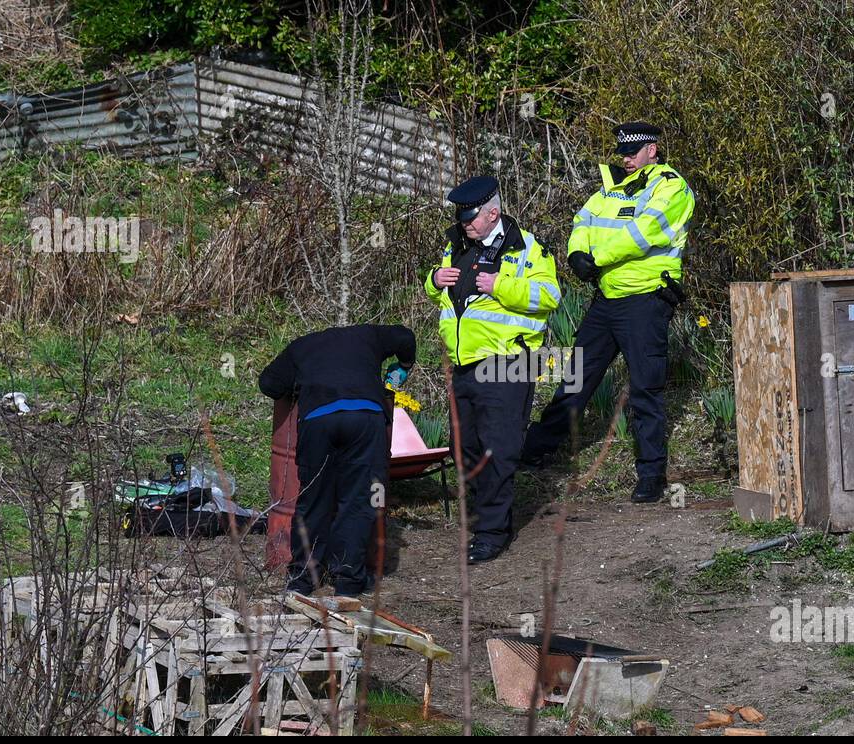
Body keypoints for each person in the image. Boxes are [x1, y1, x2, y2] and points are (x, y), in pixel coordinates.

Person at [522, 121, 695, 503]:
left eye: (633, 152)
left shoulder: (671, 187)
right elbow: (583, 220)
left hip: (645, 301)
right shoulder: (611, 187)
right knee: (576, 378)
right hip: (606, 301)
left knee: (646, 390)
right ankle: (535, 450)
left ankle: (651, 475)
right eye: (623, 153)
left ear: (652, 149)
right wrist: (575, 253)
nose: (627, 159)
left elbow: (644, 233)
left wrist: (595, 258)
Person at [424, 175, 560, 563]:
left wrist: (501, 285)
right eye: (462, 217)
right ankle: (487, 515)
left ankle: (492, 532)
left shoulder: (526, 247)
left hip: (509, 362)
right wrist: (434, 280)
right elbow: (443, 292)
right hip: (465, 362)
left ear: (493, 213)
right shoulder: (456, 245)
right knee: (462, 446)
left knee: (497, 450)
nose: (465, 223)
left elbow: (550, 296)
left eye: (471, 217)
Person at [258, 324, 415, 596]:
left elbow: (269, 384)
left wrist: (297, 385)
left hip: (319, 421)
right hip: (365, 418)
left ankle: (303, 580)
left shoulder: (301, 346)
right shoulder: (369, 335)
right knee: (357, 501)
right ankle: (348, 581)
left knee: (313, 500)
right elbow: (405, 337)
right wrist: (404, 364)